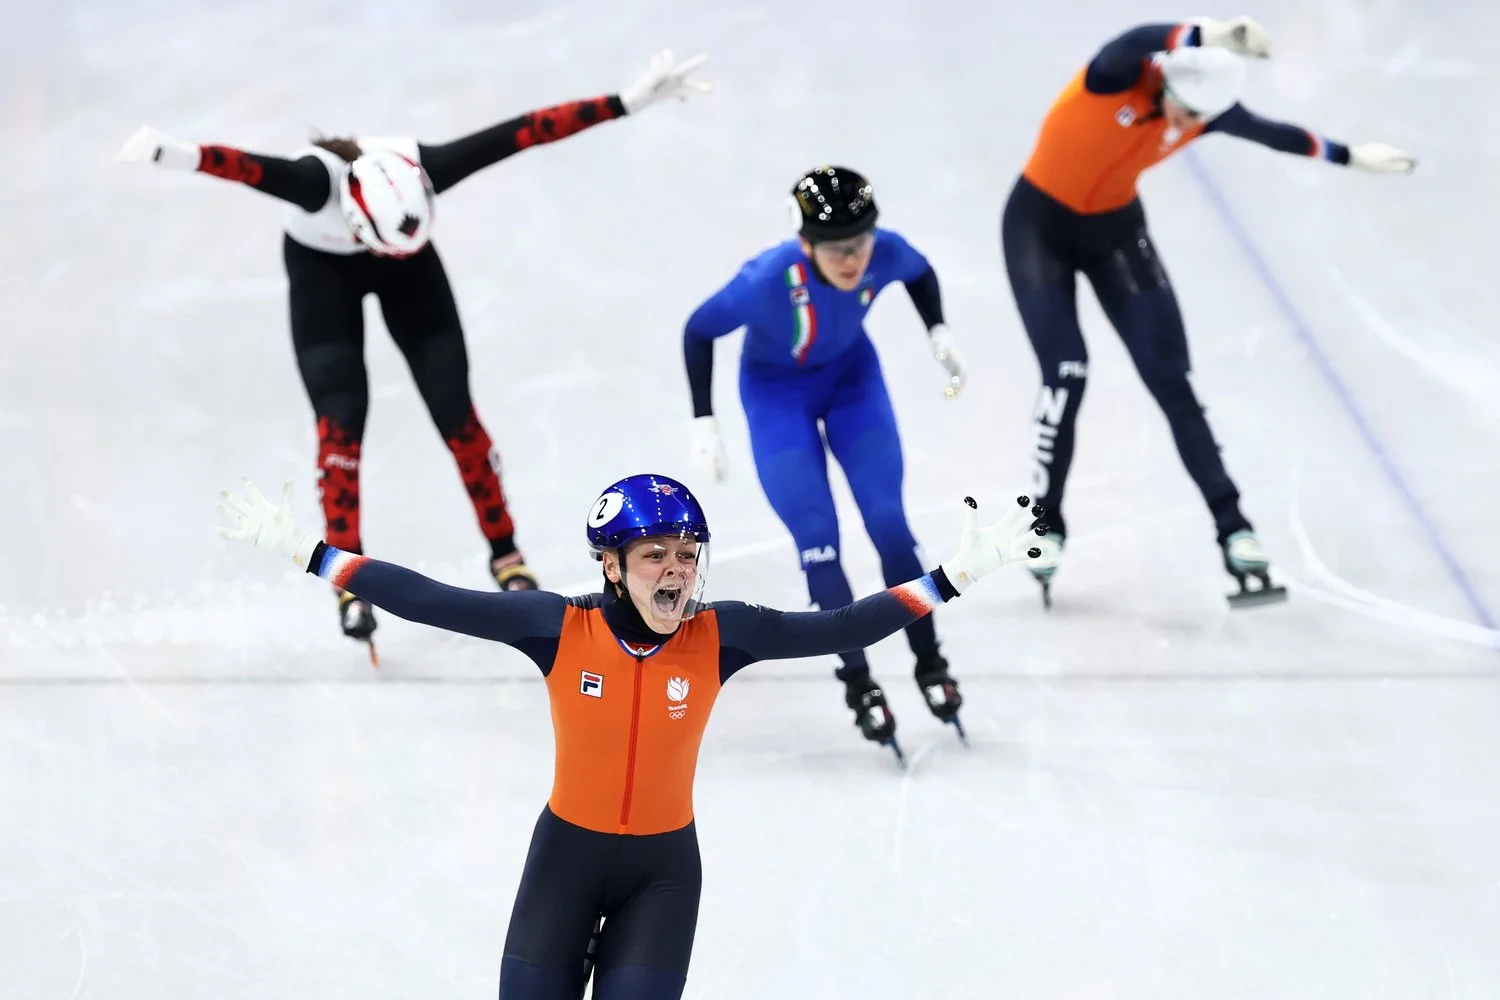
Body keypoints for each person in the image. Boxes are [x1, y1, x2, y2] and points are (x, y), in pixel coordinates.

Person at [214, 470, 1048, 999]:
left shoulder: (725, 635)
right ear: (612, 565)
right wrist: (307, 553)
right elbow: (433, 598)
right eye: (655, 556)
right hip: (564, 865)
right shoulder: (557, 628)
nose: (677, 571)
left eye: (688, 554)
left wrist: (955, 576)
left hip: (661, 877)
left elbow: (841, 627)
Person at [116, 49, 711, 652]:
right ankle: (347, 576)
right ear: (353, 214)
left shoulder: (420, 169)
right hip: (324, 275)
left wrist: (627, 102)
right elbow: (239, 166)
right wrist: (170, 153)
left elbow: (521, 134)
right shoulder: (312, 182)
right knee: (340, 420)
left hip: (412, 274)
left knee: (456, 410)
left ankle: (506, 552)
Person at [1003, 17, 1416, 608]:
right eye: (1181, 110)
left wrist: (1349, 157)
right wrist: (1205, 32)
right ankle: (1046, 522)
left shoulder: (1205, 110)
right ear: (1165, 84)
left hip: (1117, 232)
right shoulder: (1116, 79)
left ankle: (1235, 528)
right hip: (1037, 229)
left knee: (1173, 380)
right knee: (1067, 375)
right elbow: (1126, 42)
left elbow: (1274, 134)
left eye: (1199, 119)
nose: (1185, 125)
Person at [681, 165, 971, 757]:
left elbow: (919, 272)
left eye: (861, 244)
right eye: (837, 249)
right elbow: (698, 330)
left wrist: (937, 329)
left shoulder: (884, 250)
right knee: (819, 542)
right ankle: (858, 678)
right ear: (805, 243)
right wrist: (703, 420)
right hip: (777, 398)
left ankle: (929, 659)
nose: (853, 260)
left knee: (891, 528)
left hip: (852, 384)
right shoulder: (764, 281)